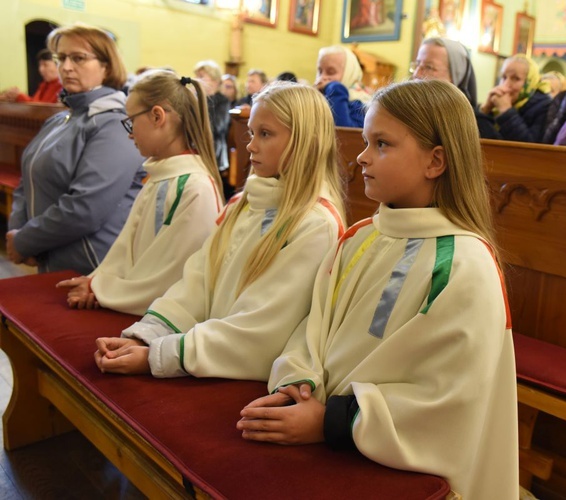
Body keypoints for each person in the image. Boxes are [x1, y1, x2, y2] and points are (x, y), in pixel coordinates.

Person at [237, 80, 518, 500]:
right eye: (366, 142)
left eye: (381, 144)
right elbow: (313, 330)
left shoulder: (464, 265)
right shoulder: (358, 238)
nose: (361, 158)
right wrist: (299, 386)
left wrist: (328, 422)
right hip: (330, 428)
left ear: (435, 160)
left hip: (388, 460)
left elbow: (448, 402)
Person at [92, 82, 346, 380]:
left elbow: (261, 330)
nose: (250, 145)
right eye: (251, 132)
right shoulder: (242, 203)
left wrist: (159, 356)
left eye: (265, 134)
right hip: (205, 356)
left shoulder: (315, 224)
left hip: (239, 372)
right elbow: (197, 281)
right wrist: (146, 336)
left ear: (307, 142)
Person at [55, 70, 225, 315]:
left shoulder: (195, 187)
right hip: (134, 304)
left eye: (131, 121)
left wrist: (104, 291)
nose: (130, 133)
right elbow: (127, 249)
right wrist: (96, 283)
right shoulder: (161, 177)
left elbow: (175, 277)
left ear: (157, 116)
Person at [6, 23, 144, 275]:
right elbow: (26, 181)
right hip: (51, 260)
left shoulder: (115, 125)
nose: (66, 67)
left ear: (107, 66)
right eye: (61, 58)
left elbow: (85, 208)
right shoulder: (59, 119)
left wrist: (25, 241)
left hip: (90, 270)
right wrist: (17, 232)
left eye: (78, 58)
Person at [477, 54, 552, 143]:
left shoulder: (545, 106)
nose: (506, 84)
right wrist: (485, 110)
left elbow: (530, 148)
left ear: (530, 81)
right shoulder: (496, 103)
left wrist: (506, 111)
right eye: (504, 77)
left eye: (516, 79)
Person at [194, 60, 232, 198]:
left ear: (215, 81)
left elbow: (218, 127)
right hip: (196, 145)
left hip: (214, 148)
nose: (198, 80)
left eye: (202, 76)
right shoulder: (197, 98)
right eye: (197, 76)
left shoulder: (222, 101)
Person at [315, 45, 370, 127]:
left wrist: (336, 88)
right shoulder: (319, 98)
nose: (322, 77)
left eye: (331, 72)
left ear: (349, 73)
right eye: (320, 71)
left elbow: (344, 133)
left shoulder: (359, 104)